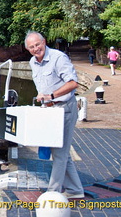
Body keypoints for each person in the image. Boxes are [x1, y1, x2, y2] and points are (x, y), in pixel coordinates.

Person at [24, 31, 84, 199]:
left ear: (44, 42)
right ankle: (75, 190)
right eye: (32, 47)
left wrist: (51, 96)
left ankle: (53, 193)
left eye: (38, 44)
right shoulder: (32, 62)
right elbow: (42, 86)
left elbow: (73, 83)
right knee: (60, 152)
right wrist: (43, 98)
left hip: (64, 108)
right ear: (28, 49)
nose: (36, 49)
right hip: (49, 111)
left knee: (59, 152)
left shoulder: (58, 58)